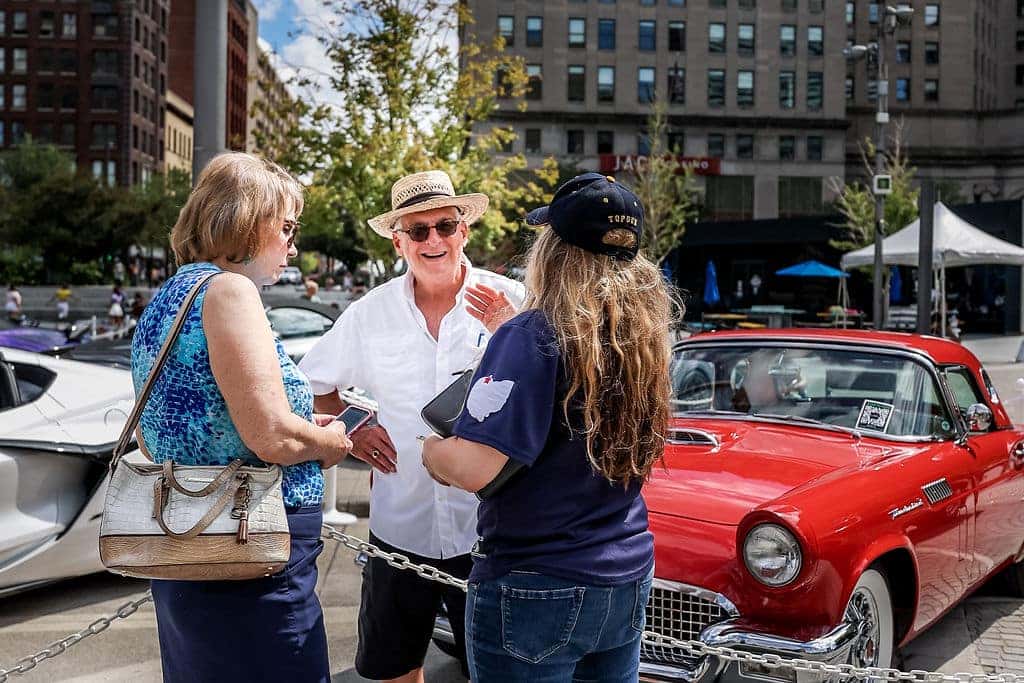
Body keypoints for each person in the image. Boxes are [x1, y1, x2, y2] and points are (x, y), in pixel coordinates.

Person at [420, 172, 671, 682]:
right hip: (625, 571)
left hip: (537, 581)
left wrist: (432, 452)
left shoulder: (534, 332)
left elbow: (474, 468)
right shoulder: (642, 337)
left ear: (555, 250)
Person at [130, 152, 353, 683]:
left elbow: (154, 433)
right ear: (251, 220)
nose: (293, 246)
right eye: (288, 227)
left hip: (182, 535)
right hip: (251, 548)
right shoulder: (230, 291)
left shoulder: (169, 295)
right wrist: (331, 440)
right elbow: (271, 434)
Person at [298, 169, 524, 683]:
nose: (434, 240)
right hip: (399, 524)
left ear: (464, 230)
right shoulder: (368, 314)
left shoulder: (513, 302)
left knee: (499, 673)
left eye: (444, 225)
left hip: (490, 530)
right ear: (399, 241)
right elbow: (311, 382)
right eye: (418, 231)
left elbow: (556, 392)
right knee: (394, 669)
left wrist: (512, 334)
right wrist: (355, 424)